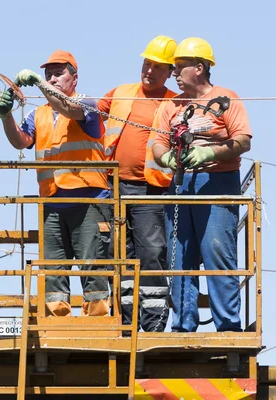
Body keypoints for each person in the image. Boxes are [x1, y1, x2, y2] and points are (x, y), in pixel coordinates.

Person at [0, 50, 111, 317]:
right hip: (53, 199)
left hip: (89, 199)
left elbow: (67, 108)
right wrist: (6, 116)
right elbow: (21, 141)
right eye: (49, 73)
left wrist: (38, 82)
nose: (53, 77)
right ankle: (56, 316)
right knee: (53, 266)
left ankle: (98, 316)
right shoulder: (38, 114)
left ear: (75, 78)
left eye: (59, 73)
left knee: (92, 263)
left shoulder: (87, 105)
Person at [152, 37, 252, 332]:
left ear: (199, 68)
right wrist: (168, 158)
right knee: (181, 258)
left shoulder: (225, 98)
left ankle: (228, 327)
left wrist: (209, 152)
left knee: (217, 253)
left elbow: (243, 140)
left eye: (179, 67)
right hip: (181, 184)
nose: (174, 73)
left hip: (218, 182)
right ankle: (183, 325)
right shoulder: (171, 106)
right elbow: (157, 144)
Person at [97, 36, 177, 332]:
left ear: (170, 72)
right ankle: (126, 322)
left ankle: (153, 324)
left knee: (151, 254)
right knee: (119, 256)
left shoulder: (174, 103)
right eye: (147, 63)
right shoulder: (121, 93)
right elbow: (85, 113)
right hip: (114, 187)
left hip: (151, 189)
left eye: (158, 66)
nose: (150, 70)